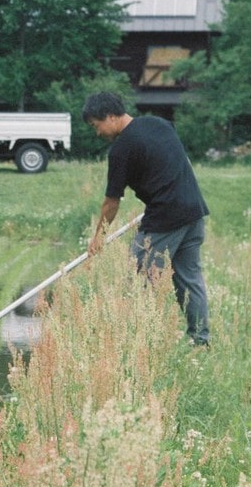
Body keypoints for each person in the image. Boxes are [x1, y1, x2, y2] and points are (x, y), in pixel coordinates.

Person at [83, 91, 209, 347]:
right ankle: (200, 342)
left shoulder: (121, 149)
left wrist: (98, 237)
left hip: (164, 218)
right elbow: (175, 161)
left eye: (97, 126)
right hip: (193, 210)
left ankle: (138, 345)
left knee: (140, 280)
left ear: (110, 116)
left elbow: (112, 202)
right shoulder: (159, 123)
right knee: (190, 280)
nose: (98, 133)